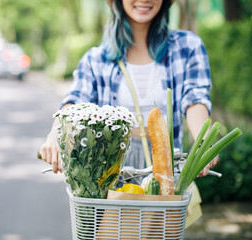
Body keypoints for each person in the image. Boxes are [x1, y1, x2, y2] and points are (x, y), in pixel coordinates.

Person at [40, 0, 219, 177]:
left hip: (168, 168)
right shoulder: (96, 59)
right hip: (110, 171)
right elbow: (76, 100)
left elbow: (195, 99)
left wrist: (203, 140)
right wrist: (58, 132)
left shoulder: (187, 47)